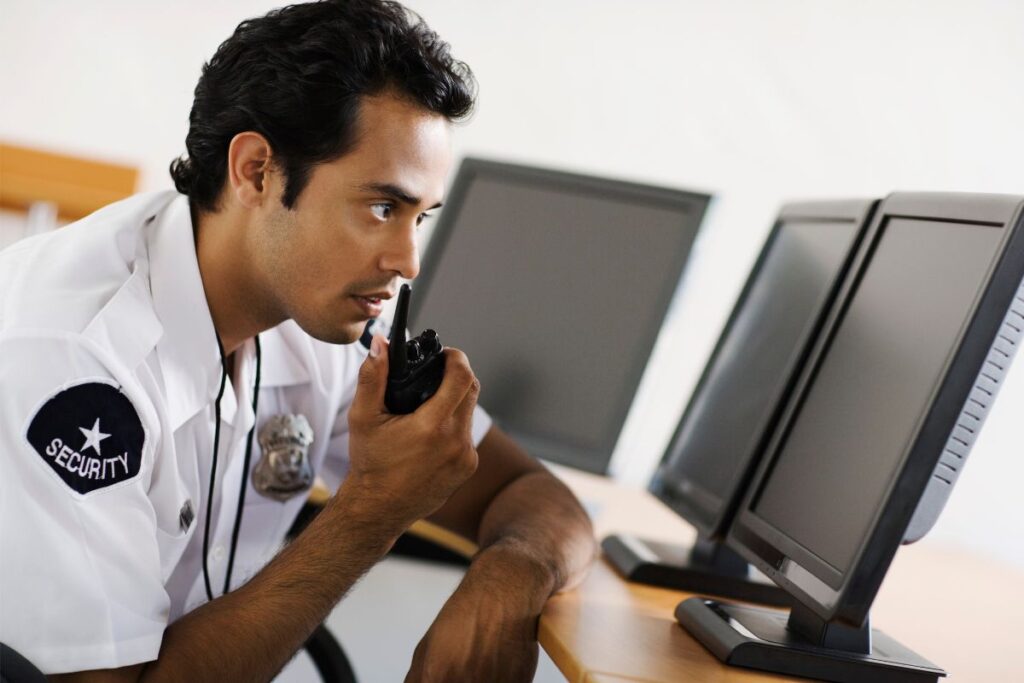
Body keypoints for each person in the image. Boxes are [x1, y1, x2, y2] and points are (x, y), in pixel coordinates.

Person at [0, 1, 597, 680]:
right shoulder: (73, 360)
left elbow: (535, 496)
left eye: (420, 217)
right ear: (256, 170)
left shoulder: (326, 323)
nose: (409, 261)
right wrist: (373, 508)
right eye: (382, 208)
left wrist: (509, 577)